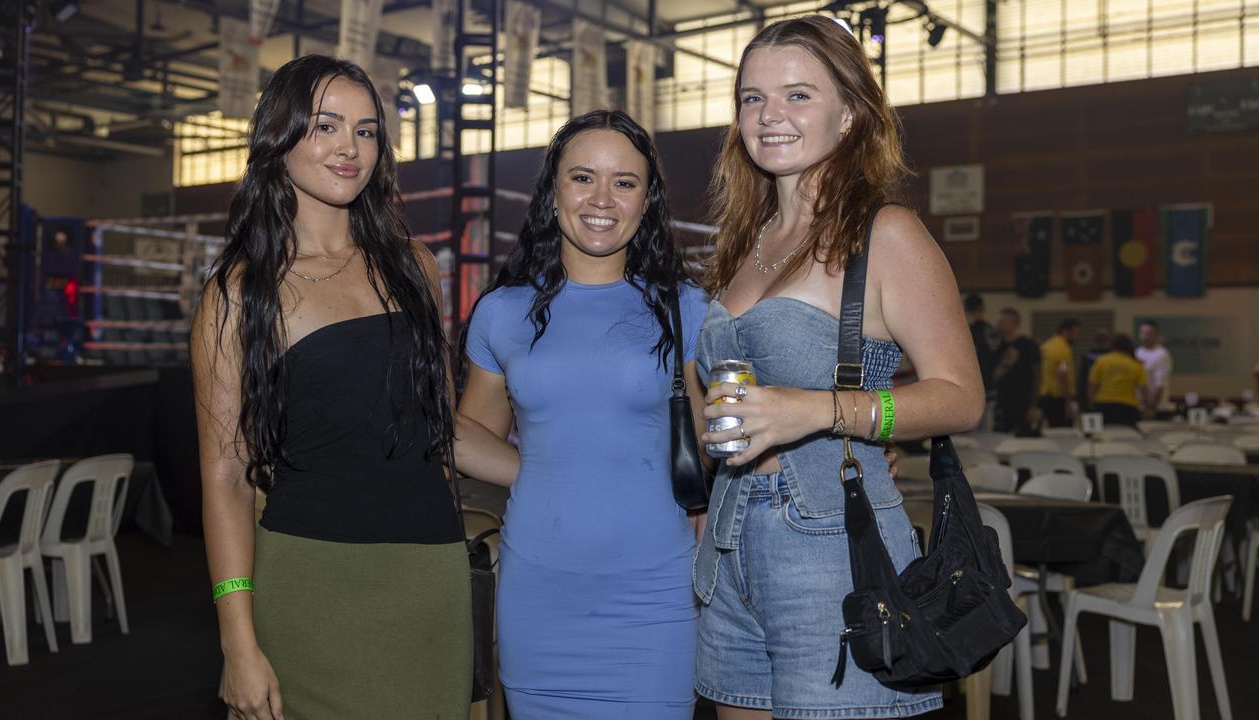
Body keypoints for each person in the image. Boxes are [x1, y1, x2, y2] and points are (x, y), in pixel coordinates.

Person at [693, 16, 983, 720]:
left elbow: (960, 397)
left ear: (851, 113)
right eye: (752, 98)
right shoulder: (745, 242)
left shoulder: (885, 233)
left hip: (832, 549)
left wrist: (821, 409)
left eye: (797, 95)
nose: (769, 116)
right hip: (727, 546)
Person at [192, 56, 471, 720]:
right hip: (310, 585)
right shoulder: (240, 294)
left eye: (367, 130)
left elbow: (443, 432)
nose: (350, 147)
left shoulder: (415, 270)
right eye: (326, 125)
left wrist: (555, 471)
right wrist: (238, 642)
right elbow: (225, 477)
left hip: (431, 581)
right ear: (279, 136)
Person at [456, 110, 709, 719]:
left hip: (654, 596)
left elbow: (714, 445)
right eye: (582, 177)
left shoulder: (687, 309)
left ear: (647, 201)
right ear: (551, 194)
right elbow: (469, 437)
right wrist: (548, 471)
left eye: (625, 182)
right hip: (538, 592)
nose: (602, 198)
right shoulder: (502, 313)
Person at [992, 308, 1040, 435]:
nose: (997, 325)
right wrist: (1006, 363)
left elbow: (1037, 376)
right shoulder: (995, 346)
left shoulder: (1028, 344)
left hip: (1023, 403)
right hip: (1001, 403)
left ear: (1012, 322)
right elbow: (993, 377)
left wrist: (1034, 405)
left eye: (1001, 322)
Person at [1088, 333, 1149, 426]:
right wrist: (1147, 407)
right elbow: (1144, 389)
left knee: (1101, 437)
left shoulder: (1101, 361)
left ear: (1112, 346)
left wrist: (1091, 403)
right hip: (1128, 407)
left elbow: (1093, 385)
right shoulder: (1136, 364)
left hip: (1103, 405)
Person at [965, 292, 1001, 429]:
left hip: (969, 389)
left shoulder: (965, 331)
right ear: (983, 308)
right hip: (990, 388)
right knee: (987, 433)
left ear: (965, 308)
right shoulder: (992, 331)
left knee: (969, 434)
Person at [1038, 318, 1081, 427]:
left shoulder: (1046, 346)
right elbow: (1062, 375)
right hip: (1059, 399)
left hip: (1044, 397)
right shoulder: (1064, 349)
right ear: (1066, 332)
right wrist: (1067, 403)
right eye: (1075, 333)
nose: (1077, 337)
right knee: (1063, 434)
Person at [1136, 320, 1173, 417]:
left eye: (1149, 334)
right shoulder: (1137, 352)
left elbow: (1160, 385)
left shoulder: (1162, 354)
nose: (1145, 337)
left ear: (1156, 335)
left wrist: (1151, 408)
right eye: (1143, 333)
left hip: (1156, 408)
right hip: (1139, 406)